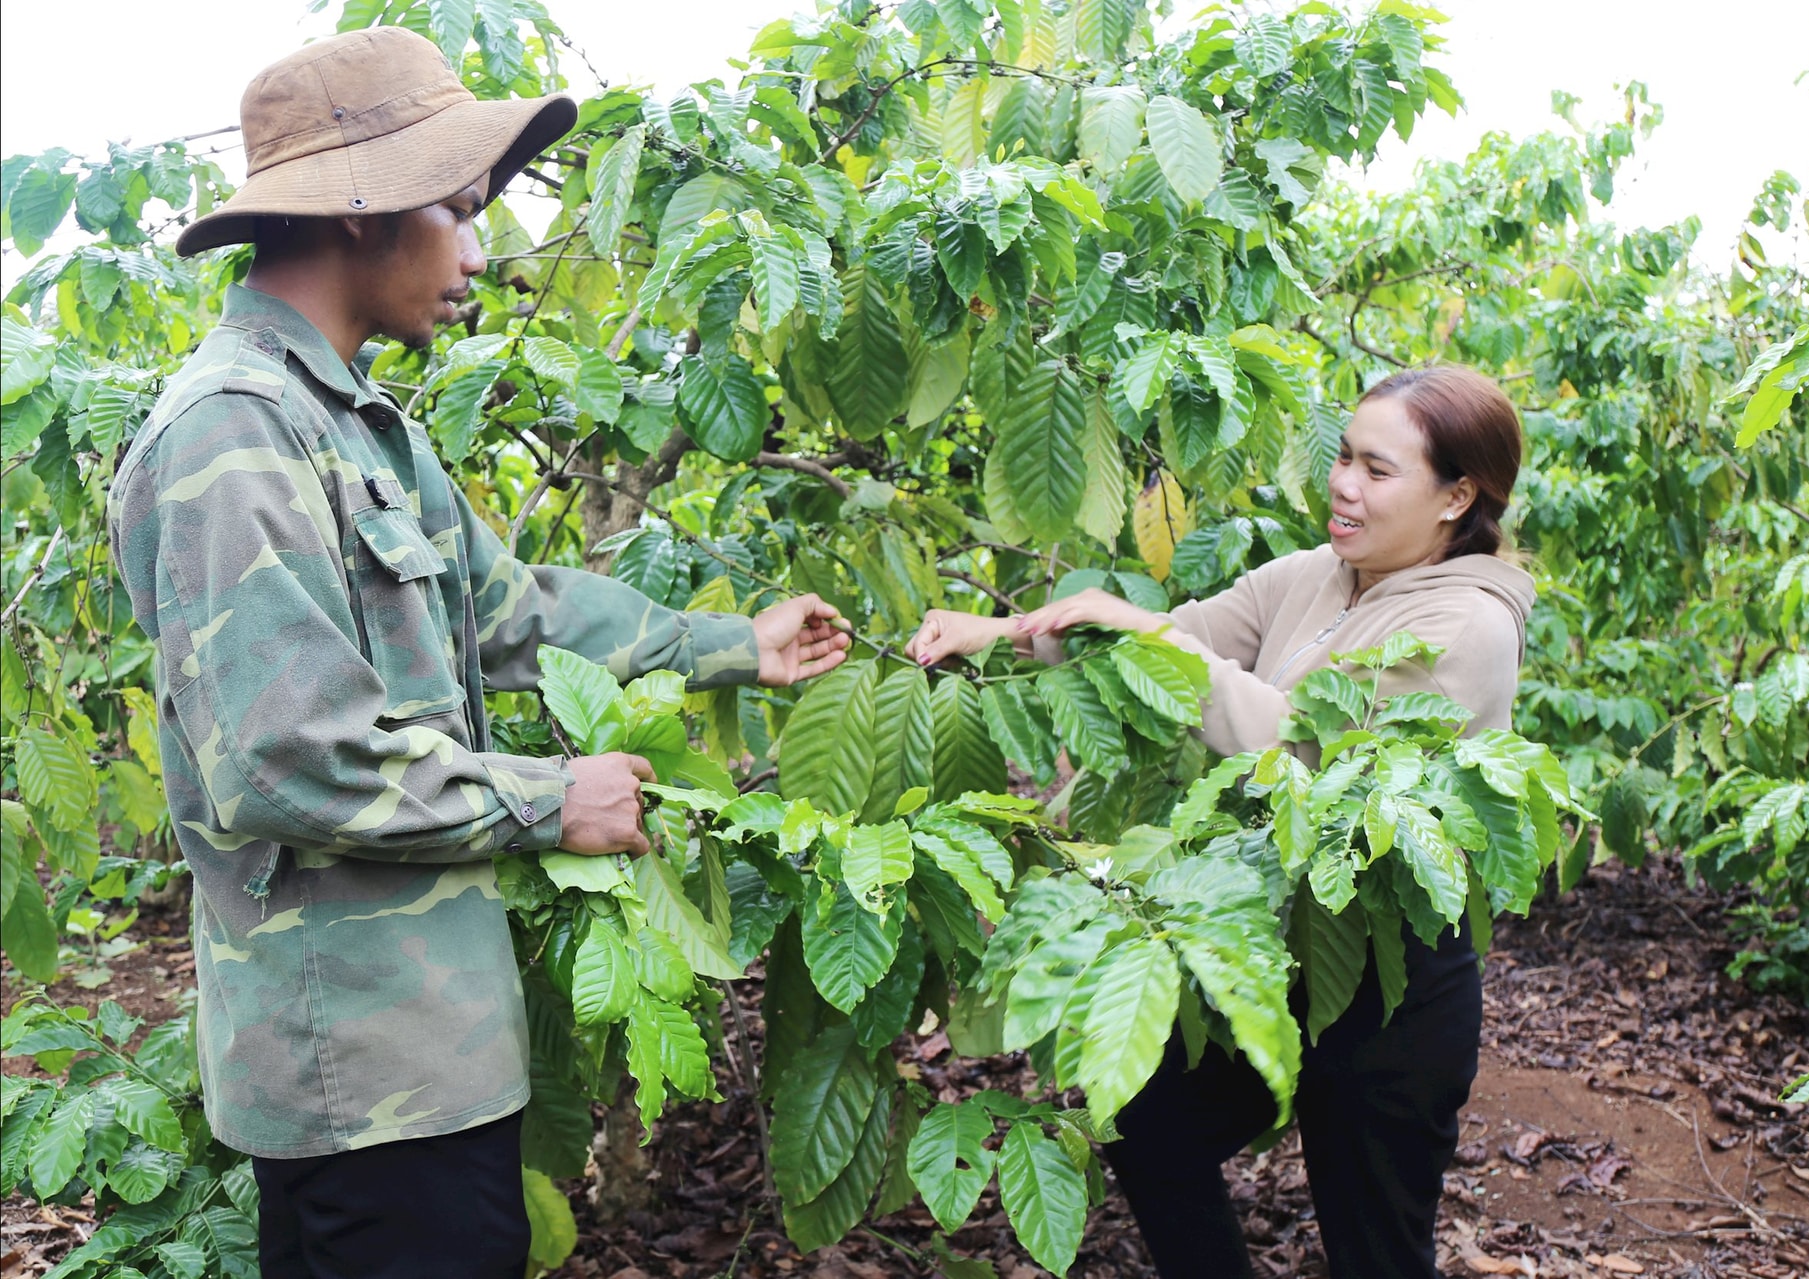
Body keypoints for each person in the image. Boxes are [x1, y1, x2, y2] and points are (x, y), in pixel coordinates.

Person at [106, 27, 849, 1279]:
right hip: (359, 1067)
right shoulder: (234, 436)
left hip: (428, 1045)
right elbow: (286, 756)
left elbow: (511, 609)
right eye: (457, 208)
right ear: (360, 214)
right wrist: (554, 799)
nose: (479, 249)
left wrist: (736, 647)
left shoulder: (356, 422)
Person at [906, 364, 1535, 1279]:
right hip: (1271, 941)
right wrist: (997, 635)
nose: (1343, 484)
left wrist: (1139, 630)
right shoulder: (1328, 573)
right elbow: (1184, 633)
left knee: (1377, 1252)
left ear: (1457, 497)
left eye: (1377, 468)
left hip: (1391, 984)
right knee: (1148, 1120)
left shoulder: (1468, 626)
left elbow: (1299, 749)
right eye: (1344, 457)